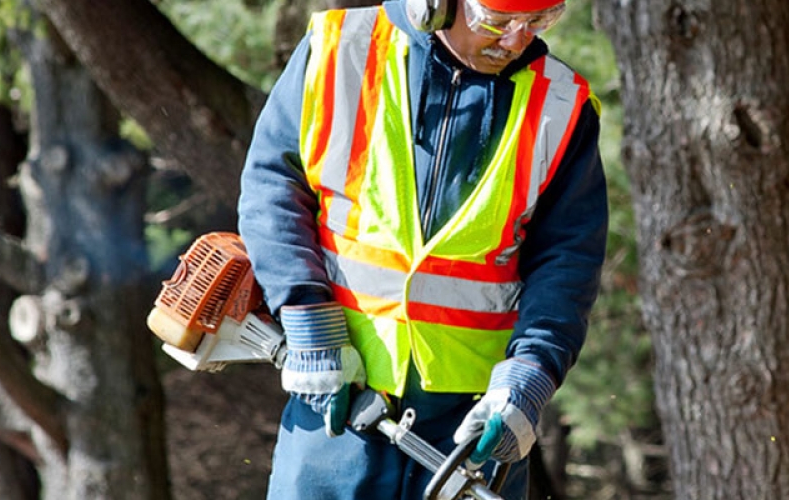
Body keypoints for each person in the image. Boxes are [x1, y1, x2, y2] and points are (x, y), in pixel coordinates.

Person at [236, 0, 607, 495]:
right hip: (335, 399)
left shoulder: (562, 106)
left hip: (473, 427)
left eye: (539, 22)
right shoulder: (339, 49)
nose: (517, 40)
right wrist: (307, 320)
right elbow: (273, 188)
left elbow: (568, 262)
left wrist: (530, 375)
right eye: (496, 23)